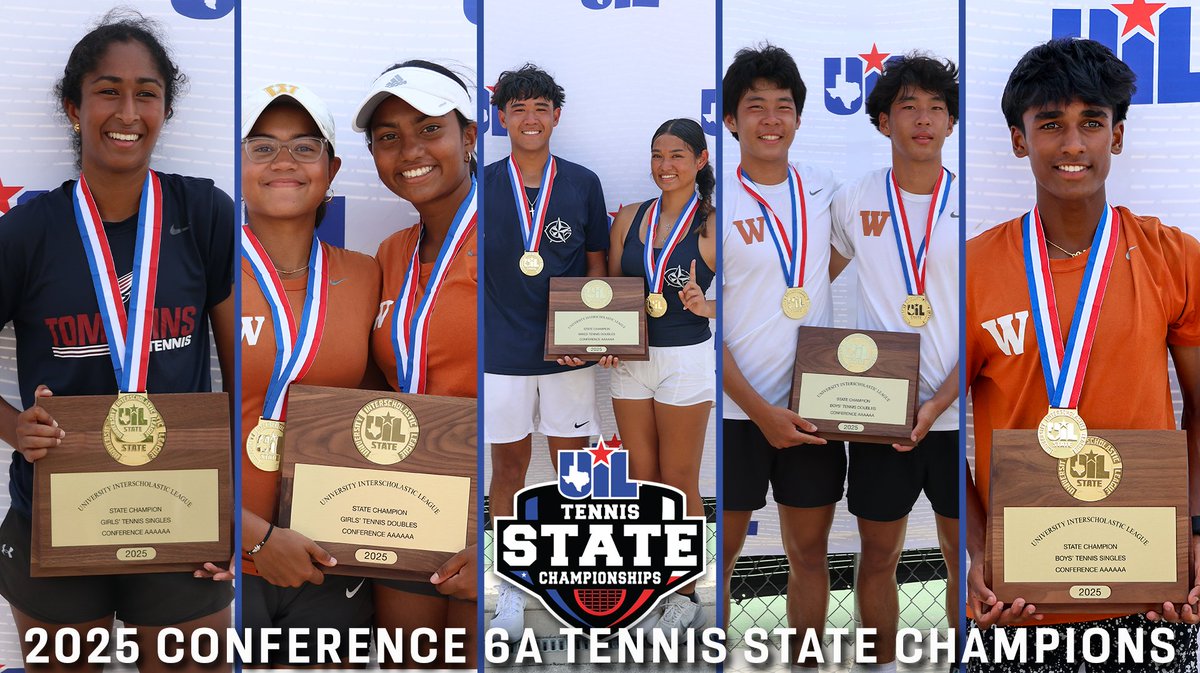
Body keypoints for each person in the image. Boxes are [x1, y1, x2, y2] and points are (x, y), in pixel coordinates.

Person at [0, 11, 234, 670]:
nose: (127, 110)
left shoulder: (202, 213)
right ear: (74, 106)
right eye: (107, 90)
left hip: (182, 511)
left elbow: (242, 374)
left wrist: (235, 507)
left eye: (147, 92)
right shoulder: (27, 232)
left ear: (165, 107)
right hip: (55, 507)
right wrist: (18, 428)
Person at [965, 38, 1200, 672]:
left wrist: (1195, 533)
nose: (1073, 144)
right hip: (1015, 600)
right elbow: (927, 432)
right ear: (1020, 140)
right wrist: (975, 547)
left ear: (1116, 137)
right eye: (1050, 125)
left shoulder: (1172, 256)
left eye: (1091, 123)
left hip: (1151, 596)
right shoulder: (969, 271)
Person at [238, 81, 381, 666]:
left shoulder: (369, 276)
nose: (283, 163)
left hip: (331, 556)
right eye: (263, 147)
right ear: (239, 163)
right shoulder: (195, 274)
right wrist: (253, 536)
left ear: (332, 167)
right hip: (219, 555)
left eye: (304, 147)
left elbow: (382, 421)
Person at [829, 54, 961, 671]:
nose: (923, 119)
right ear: (883, 121)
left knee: (970, 554)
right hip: (882, 413)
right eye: (908, 106)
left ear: (951, 123)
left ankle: (973, 655)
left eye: (937, 107)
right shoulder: (854, 200)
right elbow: (802, 278)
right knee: (878, 554)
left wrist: (937, 404)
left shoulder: (975, 205)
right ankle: (879, 664)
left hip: (960, 412)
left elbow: (994, 325)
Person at [720, 44, 844, 663]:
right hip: (739, 413)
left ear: (798, 119)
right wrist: (759, 410)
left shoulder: (823, 187)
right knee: (724, 556)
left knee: (809, 554)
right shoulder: (711, 207)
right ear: (731, 120)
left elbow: (834, 261)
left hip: (814, 411)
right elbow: (699, 326)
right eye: (755, 107)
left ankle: (805, 659)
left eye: (784, 107)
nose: (771, 119)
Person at [355, 60, 479, 668]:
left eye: (430, 128)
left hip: (489, 509)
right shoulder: (390, 252)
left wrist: (506, 535)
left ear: (470, 138)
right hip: (401, 505)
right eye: (388, 136)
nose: (409, 150)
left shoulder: (519, 243)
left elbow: (557, 399)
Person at [483, 63, 609, 640]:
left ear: (556, 116)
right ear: (501, 117)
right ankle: (509, 589)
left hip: (567, 353)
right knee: (508, 467)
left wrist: (594, 334)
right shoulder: (480, 182)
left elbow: (596, 270)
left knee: (575, 469)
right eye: (518, 109)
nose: (529, 118)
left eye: (540, 108)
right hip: (500, 351)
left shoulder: (582, 183)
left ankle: (580, 587)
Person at [605, 117, 715, 630]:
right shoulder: (628, 218)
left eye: (676, 155)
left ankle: (683, 598)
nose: (664, 166)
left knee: (678, 480)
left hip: (685, 361)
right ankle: (650, 590)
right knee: (642, 482)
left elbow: (762, 296)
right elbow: (606, 293)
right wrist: (601, 338)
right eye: (657, 155)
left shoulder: (714, 223)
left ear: (700, 160)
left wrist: (708, 305)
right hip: (631, 362)